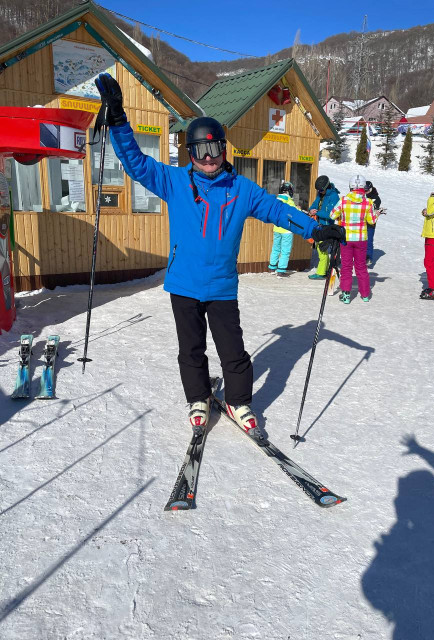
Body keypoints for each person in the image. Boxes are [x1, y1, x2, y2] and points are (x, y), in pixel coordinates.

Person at [94, 73, 345, 433]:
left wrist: (316, 229)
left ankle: (238, 403)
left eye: (214, 150)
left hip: (222, 288)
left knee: (233, 353)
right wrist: (118, 118)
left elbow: (279, 210)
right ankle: (197, 396)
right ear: (191, 154)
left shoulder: (242, 189)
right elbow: (136, 163)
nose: (208, 158)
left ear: (224, 150)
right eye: (200, 151)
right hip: (183, 285)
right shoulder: (176, 182)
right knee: (191, 350)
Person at [330, 174, 378, 304]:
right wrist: (377, 213)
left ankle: (346, 294)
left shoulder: (344, 200)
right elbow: (371, 221)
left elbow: (332, 214)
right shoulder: (368, 202)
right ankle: (365, 294)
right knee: (361, 267)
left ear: (350, 186)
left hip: (346, 238)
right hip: (361, 238)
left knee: (346, 267)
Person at [307, 175, 340, 280]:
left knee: (322, 249)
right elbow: (314, 204)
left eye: (321, 190)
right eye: (318, 190)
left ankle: (321, 273)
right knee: (319, 247)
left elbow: (331, 214)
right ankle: (324, 271)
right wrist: (311, 210)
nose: (319, 192)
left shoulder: (334, 197)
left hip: (327, 226)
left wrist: (318, 213)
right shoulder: (321, 194)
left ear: (327, 187)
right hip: (318, 224)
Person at [267, 181, 298, 278]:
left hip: (277, 228)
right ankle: (281, 270)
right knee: (285, 250)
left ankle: (272, 267)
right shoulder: (290, 202)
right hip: (287, 230)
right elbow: (295, 214)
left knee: (276, 248)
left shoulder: (276, 200)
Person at [365, 180, 382, 266]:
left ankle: (369, 257)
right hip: (362, 221)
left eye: (367, 190)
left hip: (371, 222)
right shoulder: (363, 196)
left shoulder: (376, 198)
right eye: (364, 190)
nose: (366, 191)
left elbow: (374, 209)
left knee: (369, 239)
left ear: (371, 189)